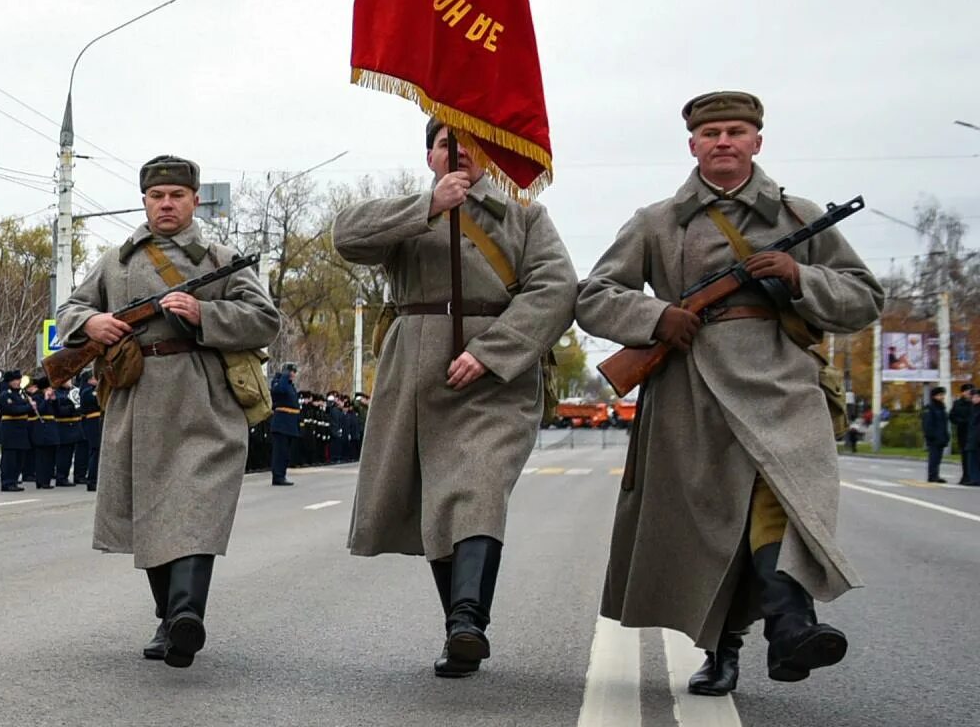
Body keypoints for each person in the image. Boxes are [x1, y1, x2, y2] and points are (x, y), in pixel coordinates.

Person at [577, 90, 883, 694]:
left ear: (757, 143)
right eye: (711, 132)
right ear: (692, 144)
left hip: (782, 385)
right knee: (715, 523)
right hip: (692, 391)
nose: (723, 141)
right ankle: (724, 648)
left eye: (736, 132)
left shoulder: (798, 216)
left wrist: (801, 276)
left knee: (786, 500)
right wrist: (658, 318)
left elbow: (865, 298)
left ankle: (791, 625)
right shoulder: (656, 221)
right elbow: (592, 295)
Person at [333, 118, 578, 677]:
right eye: (447, 143)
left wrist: (493, 352)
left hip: (497, 378)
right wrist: (426, 208)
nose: (459, 151)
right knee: (439, 501)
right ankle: (459, 629)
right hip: (417, 375)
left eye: (470, 143)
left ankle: (468, 617)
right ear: (431, 157)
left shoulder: (524, 215)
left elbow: (557, 288)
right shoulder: (410, 215)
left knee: (478, 488)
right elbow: (346, 236)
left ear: (489, 155)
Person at [57, 154, 281, 668]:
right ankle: (169, 619)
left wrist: (205, 313)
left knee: (196, 507)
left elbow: (264, 320)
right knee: (151, 512)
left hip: (205, 399)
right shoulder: (117, 259)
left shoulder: (219, 258)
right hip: (137, 399)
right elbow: (71, 308)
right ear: (144, 201)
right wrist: (91, 325)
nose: (166, 204)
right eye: (157, 196)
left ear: (194, 200)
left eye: (177, 195)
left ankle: (186, 615)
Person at [0, 371, 33, 491]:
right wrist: (29, 407)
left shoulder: (21, 394)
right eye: (15, 380)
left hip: (21, 428)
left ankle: (14, 480)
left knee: (19, 457)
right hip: (10, 428)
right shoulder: (5, 394)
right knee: (10, 458)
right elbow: (12, 409)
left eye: (19, 380)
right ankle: (7, 482)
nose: (18, 382)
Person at [267, 364, 301, 486]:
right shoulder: (278, 382)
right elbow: (279, 390)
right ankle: (278, 476)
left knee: (285, 453)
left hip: (289, 424)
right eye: (292, 371)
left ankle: (282, 474)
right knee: (279, 452)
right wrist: (284, 376)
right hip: (281, 424)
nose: (293, 374)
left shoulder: (290, 385)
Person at [52, 378, 81, 486]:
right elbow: (59, 411)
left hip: (73, 427)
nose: (70, 382)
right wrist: (72, 409)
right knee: (63, 455)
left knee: (68, 455)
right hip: (63, 427)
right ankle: (61, 477)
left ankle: (64, 476)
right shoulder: (58, 394)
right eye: (67, 380)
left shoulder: (72, 392)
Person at [75, 370, 101, 489]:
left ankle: (96, 478)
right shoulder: (87, 391)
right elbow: (97, 401)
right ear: (89, 380)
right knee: (95, 450)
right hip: (93, 423)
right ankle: (92, 480)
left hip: (97, 422)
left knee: (98, 451)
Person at [924, 387, 952, 484]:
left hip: (941, 437)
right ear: (934, 396)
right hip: (934, 438)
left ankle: (936, 475)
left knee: (938, 458)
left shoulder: (941, 407)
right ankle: (932, 476)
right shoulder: (930, 408)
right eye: (940, 395)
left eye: (942, 395)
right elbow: (928, 424)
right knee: (934, 458)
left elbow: (944, 424)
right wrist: (931, 436)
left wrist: (946, 436)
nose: (942, 397)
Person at [960, 386, 980, 487]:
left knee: (975, 459)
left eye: (977, 397)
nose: (975, 399)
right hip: (972, 438)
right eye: (973, 397)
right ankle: (974, 478)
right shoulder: (973, 409)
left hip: (976, 438)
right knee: (971, 459)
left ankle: (976, 479)